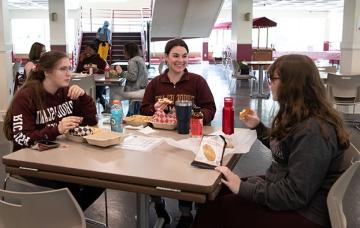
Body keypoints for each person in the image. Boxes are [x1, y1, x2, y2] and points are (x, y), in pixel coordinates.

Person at [192, 54, 350, 228]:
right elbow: (285, 148)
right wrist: (259, 128)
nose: (269, 83)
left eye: (272, 78)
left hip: (305, 213)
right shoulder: (300, 115)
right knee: (219, 190)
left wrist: (243, 188)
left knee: (214, 210)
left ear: (292, 84)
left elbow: (294, 195)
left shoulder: (314, 131)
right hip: (283, 187)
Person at [3, 50, 104, 211]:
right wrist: (56, 129)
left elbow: (90, 122)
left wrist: (84, 97)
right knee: (71, 184)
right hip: (31, 160)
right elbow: (21, 138)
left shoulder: (66, 92)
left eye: (69, 68)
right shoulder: (27, 96)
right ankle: (64, 218)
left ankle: (64, 217)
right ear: (47, 72)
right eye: (63, 69)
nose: (68, 73)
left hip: (61, 156)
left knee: (100, 179)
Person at [141, 38, 216, 228]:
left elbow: (210, 109)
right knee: (152, 172)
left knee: (187, 174)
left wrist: (195, 116)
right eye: (175, 55)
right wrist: (154, 109)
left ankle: (185, 213)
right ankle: (158, 205)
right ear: (166, 58)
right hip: (159, 141)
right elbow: (144, 110)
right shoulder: (156, 83)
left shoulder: (197, 82)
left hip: (188, 140)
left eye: (184, 56)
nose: (180, 60)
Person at [111, 42, 148, 116]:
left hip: (135, 90)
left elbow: (132, 77)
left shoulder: (132, 61)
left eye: (124, 50)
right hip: (143, 89)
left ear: (129, 51)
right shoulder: (140, 59)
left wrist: (121, 72)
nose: (123, 52)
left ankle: (118, 116)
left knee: (114, 93)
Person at [76, 44, 108, 113]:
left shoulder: (101, 61)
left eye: (90, 50)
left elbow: (104, 73)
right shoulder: (84, 60)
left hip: (99, 83)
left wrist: (98, 70)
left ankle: (100, 107)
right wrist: (81, 60)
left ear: (95, 51)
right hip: (86, 82)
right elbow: (78, 71)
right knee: (87, 93)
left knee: (96, 93)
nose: (87, 52)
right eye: (86, 50)